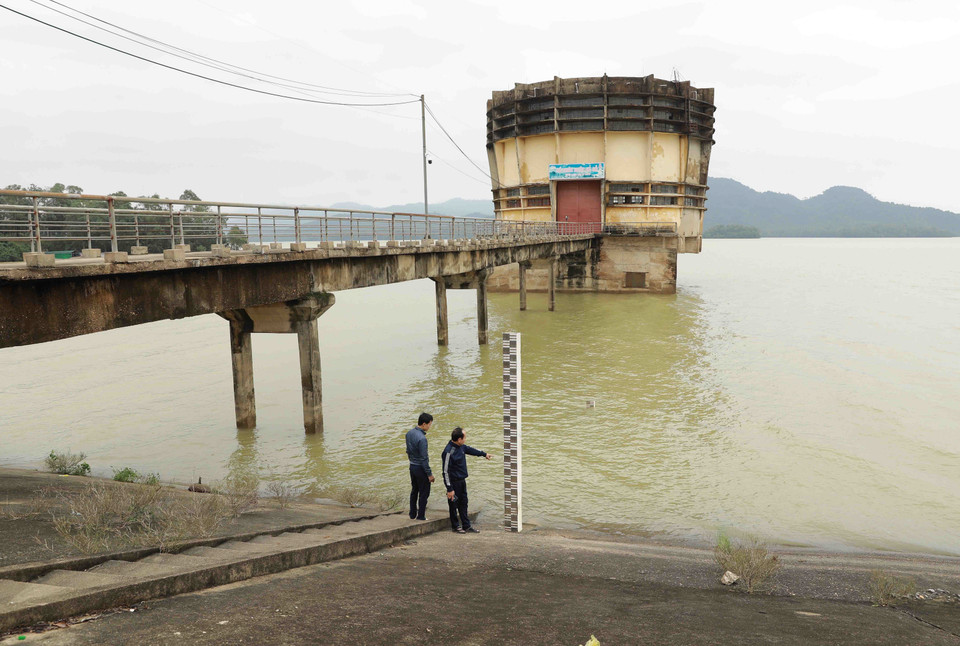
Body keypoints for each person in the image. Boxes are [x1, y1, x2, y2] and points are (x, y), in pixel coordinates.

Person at [441, 426, 493, 534]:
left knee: (464, 503)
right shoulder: (448, 452)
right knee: (453, 505)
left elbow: (471, 450)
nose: (465, 439)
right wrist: (449, 489)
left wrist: (484, 454)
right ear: (459, 439)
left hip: (462, 481)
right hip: (453, 483)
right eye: (464, 437)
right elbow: (445, 472)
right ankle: (455, 526)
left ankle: (466, 525)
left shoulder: (461, 447)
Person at [405, 412, 435, 520]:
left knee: (414, 490)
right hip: (420, 468)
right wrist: (429, 474)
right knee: (424, 492)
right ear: (424, 424)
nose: (429, 427)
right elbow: (424, 458)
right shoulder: (422, 438)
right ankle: (421, 515)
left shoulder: (409, 434)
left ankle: (412, 513)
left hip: (412, 466)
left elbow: (408, 451)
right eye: (429, 424)